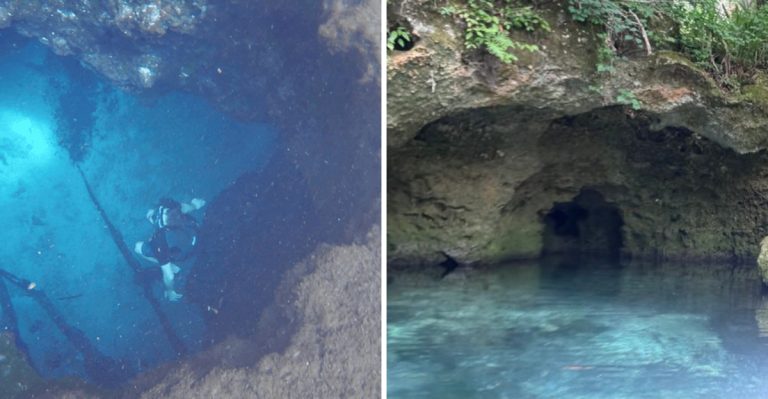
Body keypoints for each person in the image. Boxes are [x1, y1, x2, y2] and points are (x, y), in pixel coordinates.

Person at [134, 198, 205, 301]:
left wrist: (170, 290)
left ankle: (173, 266)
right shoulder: (174, 210)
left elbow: (169, 276)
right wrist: (195, 205)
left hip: (184, 253)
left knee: (138, 247)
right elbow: (186, 207)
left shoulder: (160, 241)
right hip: (196, 235)